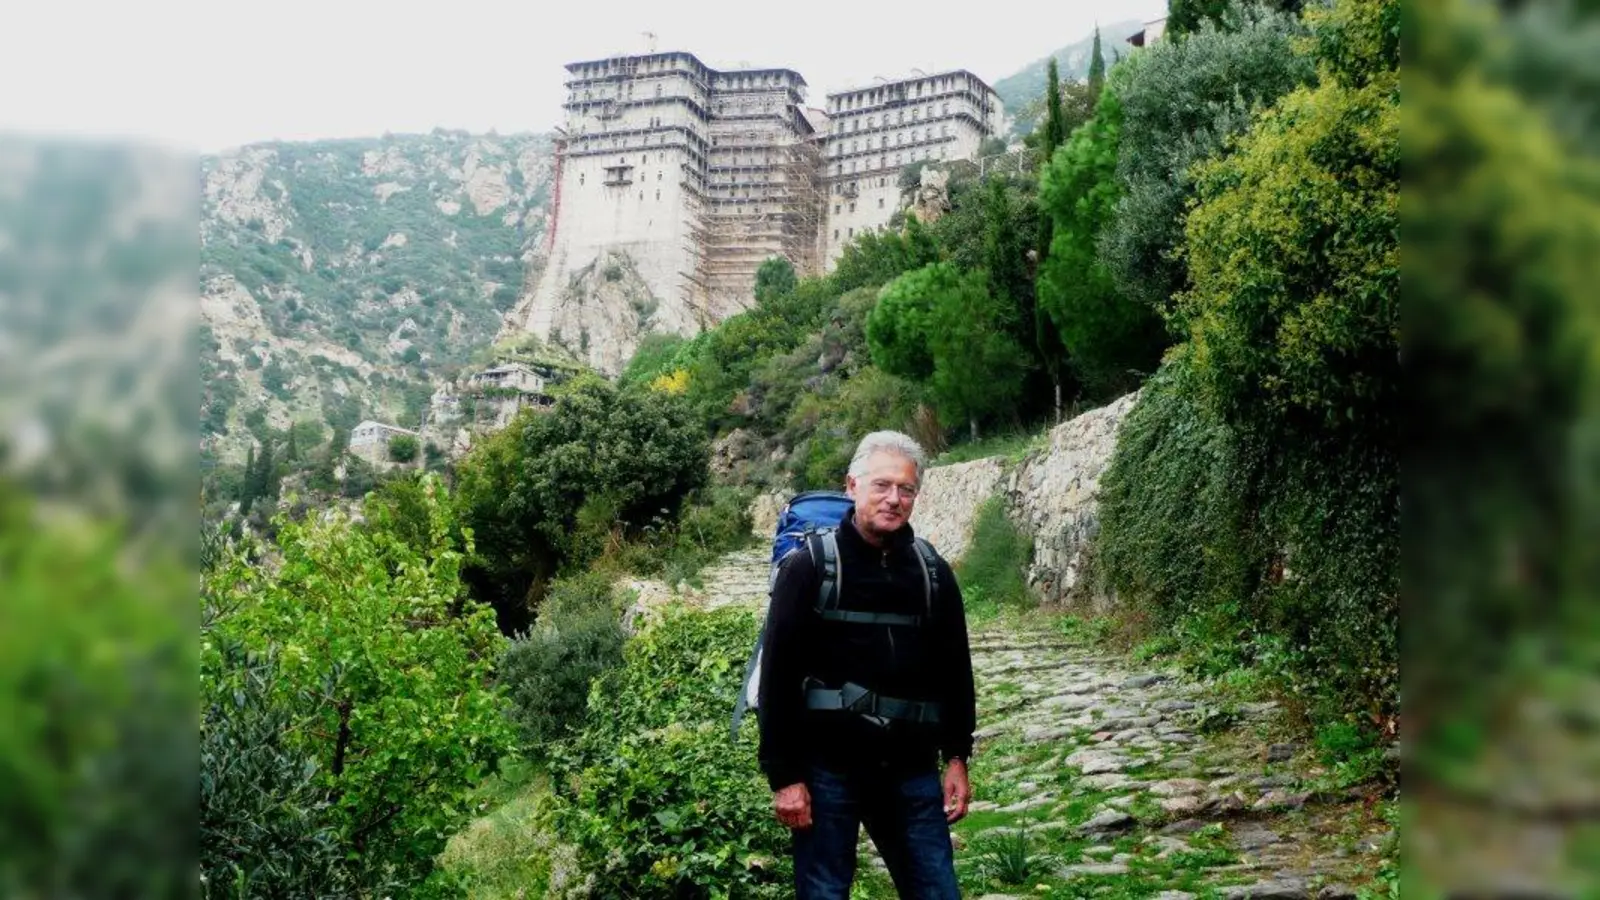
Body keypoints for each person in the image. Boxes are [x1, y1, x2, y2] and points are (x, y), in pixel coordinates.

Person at [757, 430, 977, 899]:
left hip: (910, 770)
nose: (894, 499)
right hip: (826, 770)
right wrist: (785, 778)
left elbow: (954, 668)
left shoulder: (932, 572)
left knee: (937, 892)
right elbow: (777, 678)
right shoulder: (809, 567)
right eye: (882, 485)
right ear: (852, 487)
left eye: (906, 489)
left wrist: (957, 755)